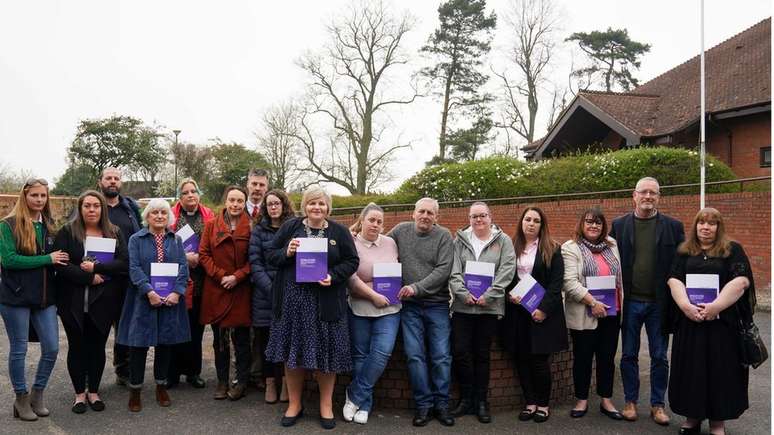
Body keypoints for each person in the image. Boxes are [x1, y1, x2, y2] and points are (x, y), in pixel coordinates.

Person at [265, 186, 359, 430]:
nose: (317, 208)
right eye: (312, 203)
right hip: (294, 304)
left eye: (322, 204)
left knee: (326, 355)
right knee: (293, 356)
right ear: (305, 205)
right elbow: (271, 256)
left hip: (326, 303)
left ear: (328, 207)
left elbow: (352, 261)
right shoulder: (290, 228)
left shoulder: (338, 231)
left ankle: (325, 405)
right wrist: (286, 251)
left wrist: (333, 275)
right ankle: (294, 404)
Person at [667, 208, 754, 435]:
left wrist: (716, 307)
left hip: (722, 325)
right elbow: (674, 280)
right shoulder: (684, 251)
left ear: (719, 227)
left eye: (711, 224)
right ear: (695, 226)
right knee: (691, 371)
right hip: (691, 323)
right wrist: (686, 306)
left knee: (720, 372)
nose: (706, 227)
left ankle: (717, 422)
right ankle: (692, 417)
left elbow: (741, 281)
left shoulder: (732, 250)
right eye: (701, 223)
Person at [610, 177, 684, 425]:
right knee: (629, 354)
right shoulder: (619, 226)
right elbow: (606, 259)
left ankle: (657, 405)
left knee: (660, 356)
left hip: (659, 303)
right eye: (644, 192)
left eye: (653, 193)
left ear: (659, 197)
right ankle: (630, 402)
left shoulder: (674, 227)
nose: (648, 197)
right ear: (634, 195)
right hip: (629, 302)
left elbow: (683, 264)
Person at [54, 190, 129, 413]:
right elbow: (60, 264)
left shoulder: (113, 232)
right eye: (87, 206)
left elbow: (124, 263)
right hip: (72, 301)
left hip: (104, 302)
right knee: (77, 347)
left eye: (96, 206)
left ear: (102, 208)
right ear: (80, 208)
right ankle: (79, 395)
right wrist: (88, 276)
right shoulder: (68, 232)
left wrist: (98, 269)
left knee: (97, 347)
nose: (92, 210)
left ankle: (94, 392)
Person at [117, 198, 190, 412]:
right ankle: (135, 390)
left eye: (163, 213)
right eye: (155, 212)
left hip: (170, 301)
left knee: (165, 344)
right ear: (147, 216)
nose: (159, 216)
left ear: (169, 217)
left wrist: (177, 292)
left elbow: (183, 268)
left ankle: (161, 386)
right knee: (138, 345)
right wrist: (149, 291)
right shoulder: (135, 239)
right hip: (143, 299)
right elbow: (134, 268)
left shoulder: (176, 240)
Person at [0, 178, 65, 421]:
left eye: (43, 196)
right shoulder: (7, 225)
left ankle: (37, 394)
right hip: (14, 298)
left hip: (44, 298)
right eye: (34, 195)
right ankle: (20, 398)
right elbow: (9, 260)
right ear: (24, 197)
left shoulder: (49, 225)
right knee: (19, 349)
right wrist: (47, 259)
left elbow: (61, 256)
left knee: (51, 347)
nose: (39, 200)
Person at [387, 197, 455, 427]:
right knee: (415, 356)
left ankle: (442, 404)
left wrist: (416, 288)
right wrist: (356, 234)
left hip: (436, 303)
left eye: (430, 213)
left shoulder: (444, 236)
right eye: (422, 211)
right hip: (410, 307)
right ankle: (424, 405)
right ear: (413, 213)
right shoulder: (400, 231)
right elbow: (380, 244)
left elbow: (444, 270)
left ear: (437, 217)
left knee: (441, 356)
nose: (425, 216)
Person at [448, 202, 515, 424]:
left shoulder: (503, 240)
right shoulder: (459, 240)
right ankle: (466, 398)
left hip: (489, 307)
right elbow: (454, 270)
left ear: (490, 217)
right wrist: (462, 293)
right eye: (474, 216)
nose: (479, 220)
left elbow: (507, 270)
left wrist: (490, 294)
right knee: (460, 352)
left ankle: (481, 401)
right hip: (463, 307)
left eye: (483, 216)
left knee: (482, 355)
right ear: (469, 218)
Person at [501, 206, 568, 424]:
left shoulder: (553, 248)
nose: (531, 223)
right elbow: (505, 276)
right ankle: (529, 403)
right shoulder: (511, 247)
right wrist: (510, 294)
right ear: (521, 222)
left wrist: (543, 309)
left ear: (542, 225)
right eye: (527, 219)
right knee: (521, 359)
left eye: (536, 221)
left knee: (539, 362)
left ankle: (543, 405)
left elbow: (557, 284)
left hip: (541, 314)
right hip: (517, 313)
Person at [561, 207, 624, 421]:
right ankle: (582, 400)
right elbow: (569, 282)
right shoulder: (571, 248)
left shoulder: (612, 245)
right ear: (582, 224)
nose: (593, 226)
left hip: (612, 312)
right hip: (585, 311)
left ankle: (606, 399)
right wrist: (593, 302)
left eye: (598, 222)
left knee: (607, 358)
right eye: (589, 222)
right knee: (583, 358)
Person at [342, 203, 401, 425]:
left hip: (389, 308)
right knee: (360, 355)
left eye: (379, 221)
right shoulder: (351, 242)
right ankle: (364, 405)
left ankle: (354, 396)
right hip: (360, 305)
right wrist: (372, 295)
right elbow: (351, 278)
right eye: (371, 220)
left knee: (382, 352)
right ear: (362, 220)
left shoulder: (391, 243)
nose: (375, 224)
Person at [199, 186, 253, 401]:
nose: (235, 204)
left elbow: (255, 258)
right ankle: (222, 381)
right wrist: (221, 276)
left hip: (240, 289)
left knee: (241, 340)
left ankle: (241, 382)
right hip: (217, 288)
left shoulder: (251, 226)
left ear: (245, 203)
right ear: (226, 200)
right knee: (219, 340)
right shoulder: (211, 225)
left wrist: (238, 276)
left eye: (240, 201)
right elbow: (204, 254)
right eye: (232, 200)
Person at [166, 178, 215, 389]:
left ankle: (193, 372)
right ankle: (172, 373)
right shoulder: (170, 216)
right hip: (176, 278)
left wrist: (200, 259)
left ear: (199, 194)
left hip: (201, 279)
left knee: (196, 327)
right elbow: (163, 243)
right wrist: (185, 257)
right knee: (175, 325)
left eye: (193, 191)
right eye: (185, 192)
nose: (190, 195)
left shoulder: (209, 216)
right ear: (180, 196)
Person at [248, 189, 295, 404]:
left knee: (288, 340)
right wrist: (271, 288)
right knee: (265, 341)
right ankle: (270, 383)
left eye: (277, 203)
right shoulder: (258, 230)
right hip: (264, 296)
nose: (273, 207)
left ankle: (287, 382)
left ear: (284, 205)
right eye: (269, 204)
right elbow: (255, 263)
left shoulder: (295, 228)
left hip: (290, 293)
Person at [98, 167, 141, 387]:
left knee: (125, 325)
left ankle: (123, 369)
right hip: (102, 277)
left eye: (116, 178)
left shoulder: (130, 207)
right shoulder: (93, 205)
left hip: (128, 275)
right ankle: (91, 373)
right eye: (109, 178)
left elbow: (142, 233)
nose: (113, 182)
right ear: (100, 182)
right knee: (99, 326)